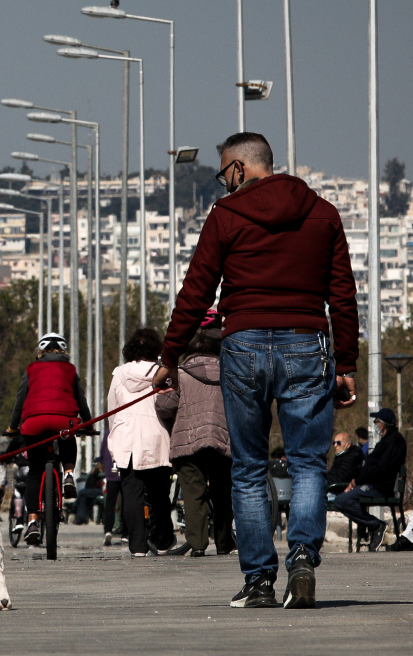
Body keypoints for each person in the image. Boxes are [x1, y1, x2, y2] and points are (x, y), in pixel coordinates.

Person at [152, 132, 359, 609]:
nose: (224, 183)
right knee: (308, 462)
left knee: (247, 468)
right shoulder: (323, 213)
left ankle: (260, 581)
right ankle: (303, 556)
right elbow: (342, 294)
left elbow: (196, 291)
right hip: (307, 343)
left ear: (242, 169)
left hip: (242, 344)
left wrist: (170, 356)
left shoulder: (227, 215)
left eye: (225, 172)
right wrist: (345, 363)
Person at [155, 313, 236, 557]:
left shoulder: (181, 374)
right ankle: (224, 543)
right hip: (222, 439)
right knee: (223, 492)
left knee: (193, 492)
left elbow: (164, 406)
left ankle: (198, 544)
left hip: (188, 442)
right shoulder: (230, 373)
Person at [8, 332, 91, 546]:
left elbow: (20, 399)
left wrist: (12, 426)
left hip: (33, 423)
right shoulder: (70, 369)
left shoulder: (31, 369)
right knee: (69, 439)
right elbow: (80, 400)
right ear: (64, 351)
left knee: (35, 472)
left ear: (40, 351)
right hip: (64, 421)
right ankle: (69, 475)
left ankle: (33, 522)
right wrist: (88, 424)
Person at [109, 328, 174, 557]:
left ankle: (137, 546)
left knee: (132, 493)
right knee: (159, 494)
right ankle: (165, 540)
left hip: (127, 439)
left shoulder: (119, 373)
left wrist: (113, 440)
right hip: (156, 437)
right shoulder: (163, 372)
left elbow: (112, 409)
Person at [334, 409, 407, 551]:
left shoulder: (394, 441)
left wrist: (358, 481)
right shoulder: (386, 441)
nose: (374, 424)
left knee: (342, 500)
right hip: (373, 484)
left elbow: (380, 468)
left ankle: (375, 525)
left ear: (383, 424)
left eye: (376, 422)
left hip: (380, 487)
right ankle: (373, 527)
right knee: (342, 499)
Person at [100, 431, 125, 546]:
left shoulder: (108, 434)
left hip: (111, 473)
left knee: (110, 502)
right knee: (127, 501)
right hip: (125, 471)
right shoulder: (126, 430)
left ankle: (108, 530)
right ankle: (126, 531)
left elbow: (103, 453)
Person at [73, 459, 106, 525]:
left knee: (81, 492)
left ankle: (74, 507)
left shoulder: (101, 471)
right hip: (91, 491)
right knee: (83, 498)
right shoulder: (94, 471)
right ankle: (81, 518)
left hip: (99, 491)